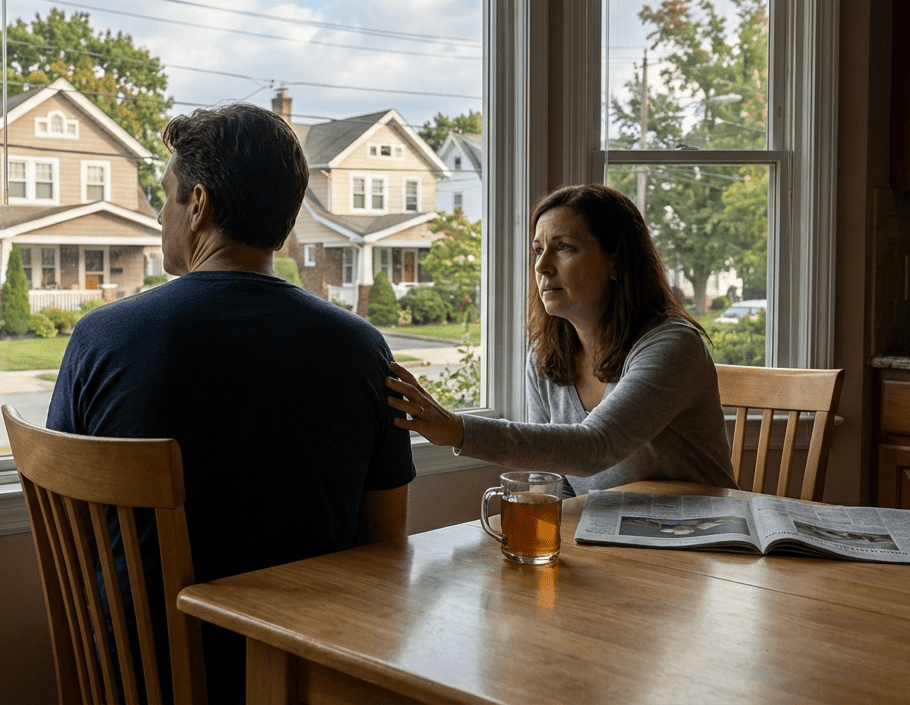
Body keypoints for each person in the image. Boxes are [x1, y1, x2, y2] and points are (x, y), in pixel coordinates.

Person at [47, 102, 414, 701]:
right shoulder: (362, 349)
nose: (160, 214)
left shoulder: (101, 338)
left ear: (198, 205)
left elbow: (76, 533)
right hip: (304, 675)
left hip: (141, 677)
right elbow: (384, 544)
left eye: (165, 196)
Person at [386, 183, 736, 495]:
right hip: (608, 538)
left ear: (617, 262)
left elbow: (594, 448)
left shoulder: (673, 345)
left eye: (564, 247)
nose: (542, 266)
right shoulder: (545, 356)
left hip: (702, 539)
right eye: (538, 250)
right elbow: (554, 481)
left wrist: (457, 429)